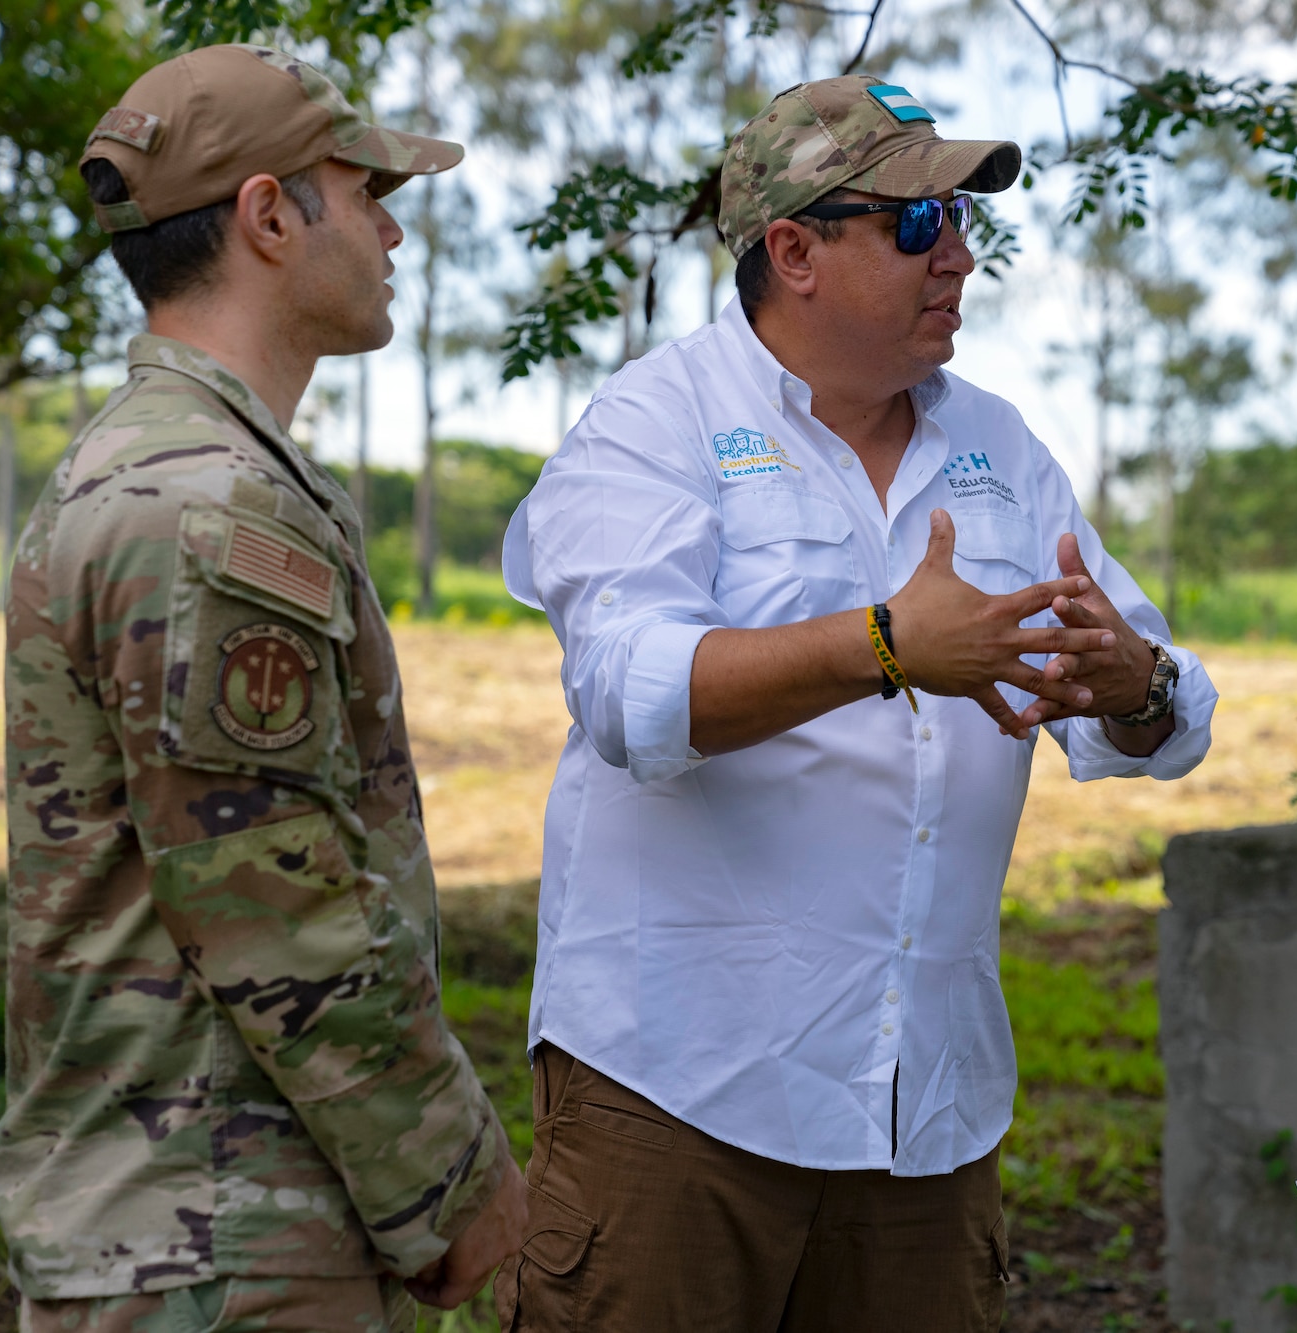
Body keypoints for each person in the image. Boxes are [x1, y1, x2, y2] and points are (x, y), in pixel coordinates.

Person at [496, 74, 1216, 1331]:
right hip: (678, 1090)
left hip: (920, 1107)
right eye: (919, 224)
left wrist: (1133, 683)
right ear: (794, 251)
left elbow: (1156, 704)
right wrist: (883, 644)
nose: (961, 259)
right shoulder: (656, 421)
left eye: (964, 224)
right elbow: (627, 691)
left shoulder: (999, 445)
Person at [0, 45, 527, 1332]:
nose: (394, 228)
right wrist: (449, 1178)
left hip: (181, 1224)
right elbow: (277, 902)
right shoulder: (209, 504)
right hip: (221, 1235)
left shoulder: (161, 470)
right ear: (270, 216)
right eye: (366, 191)